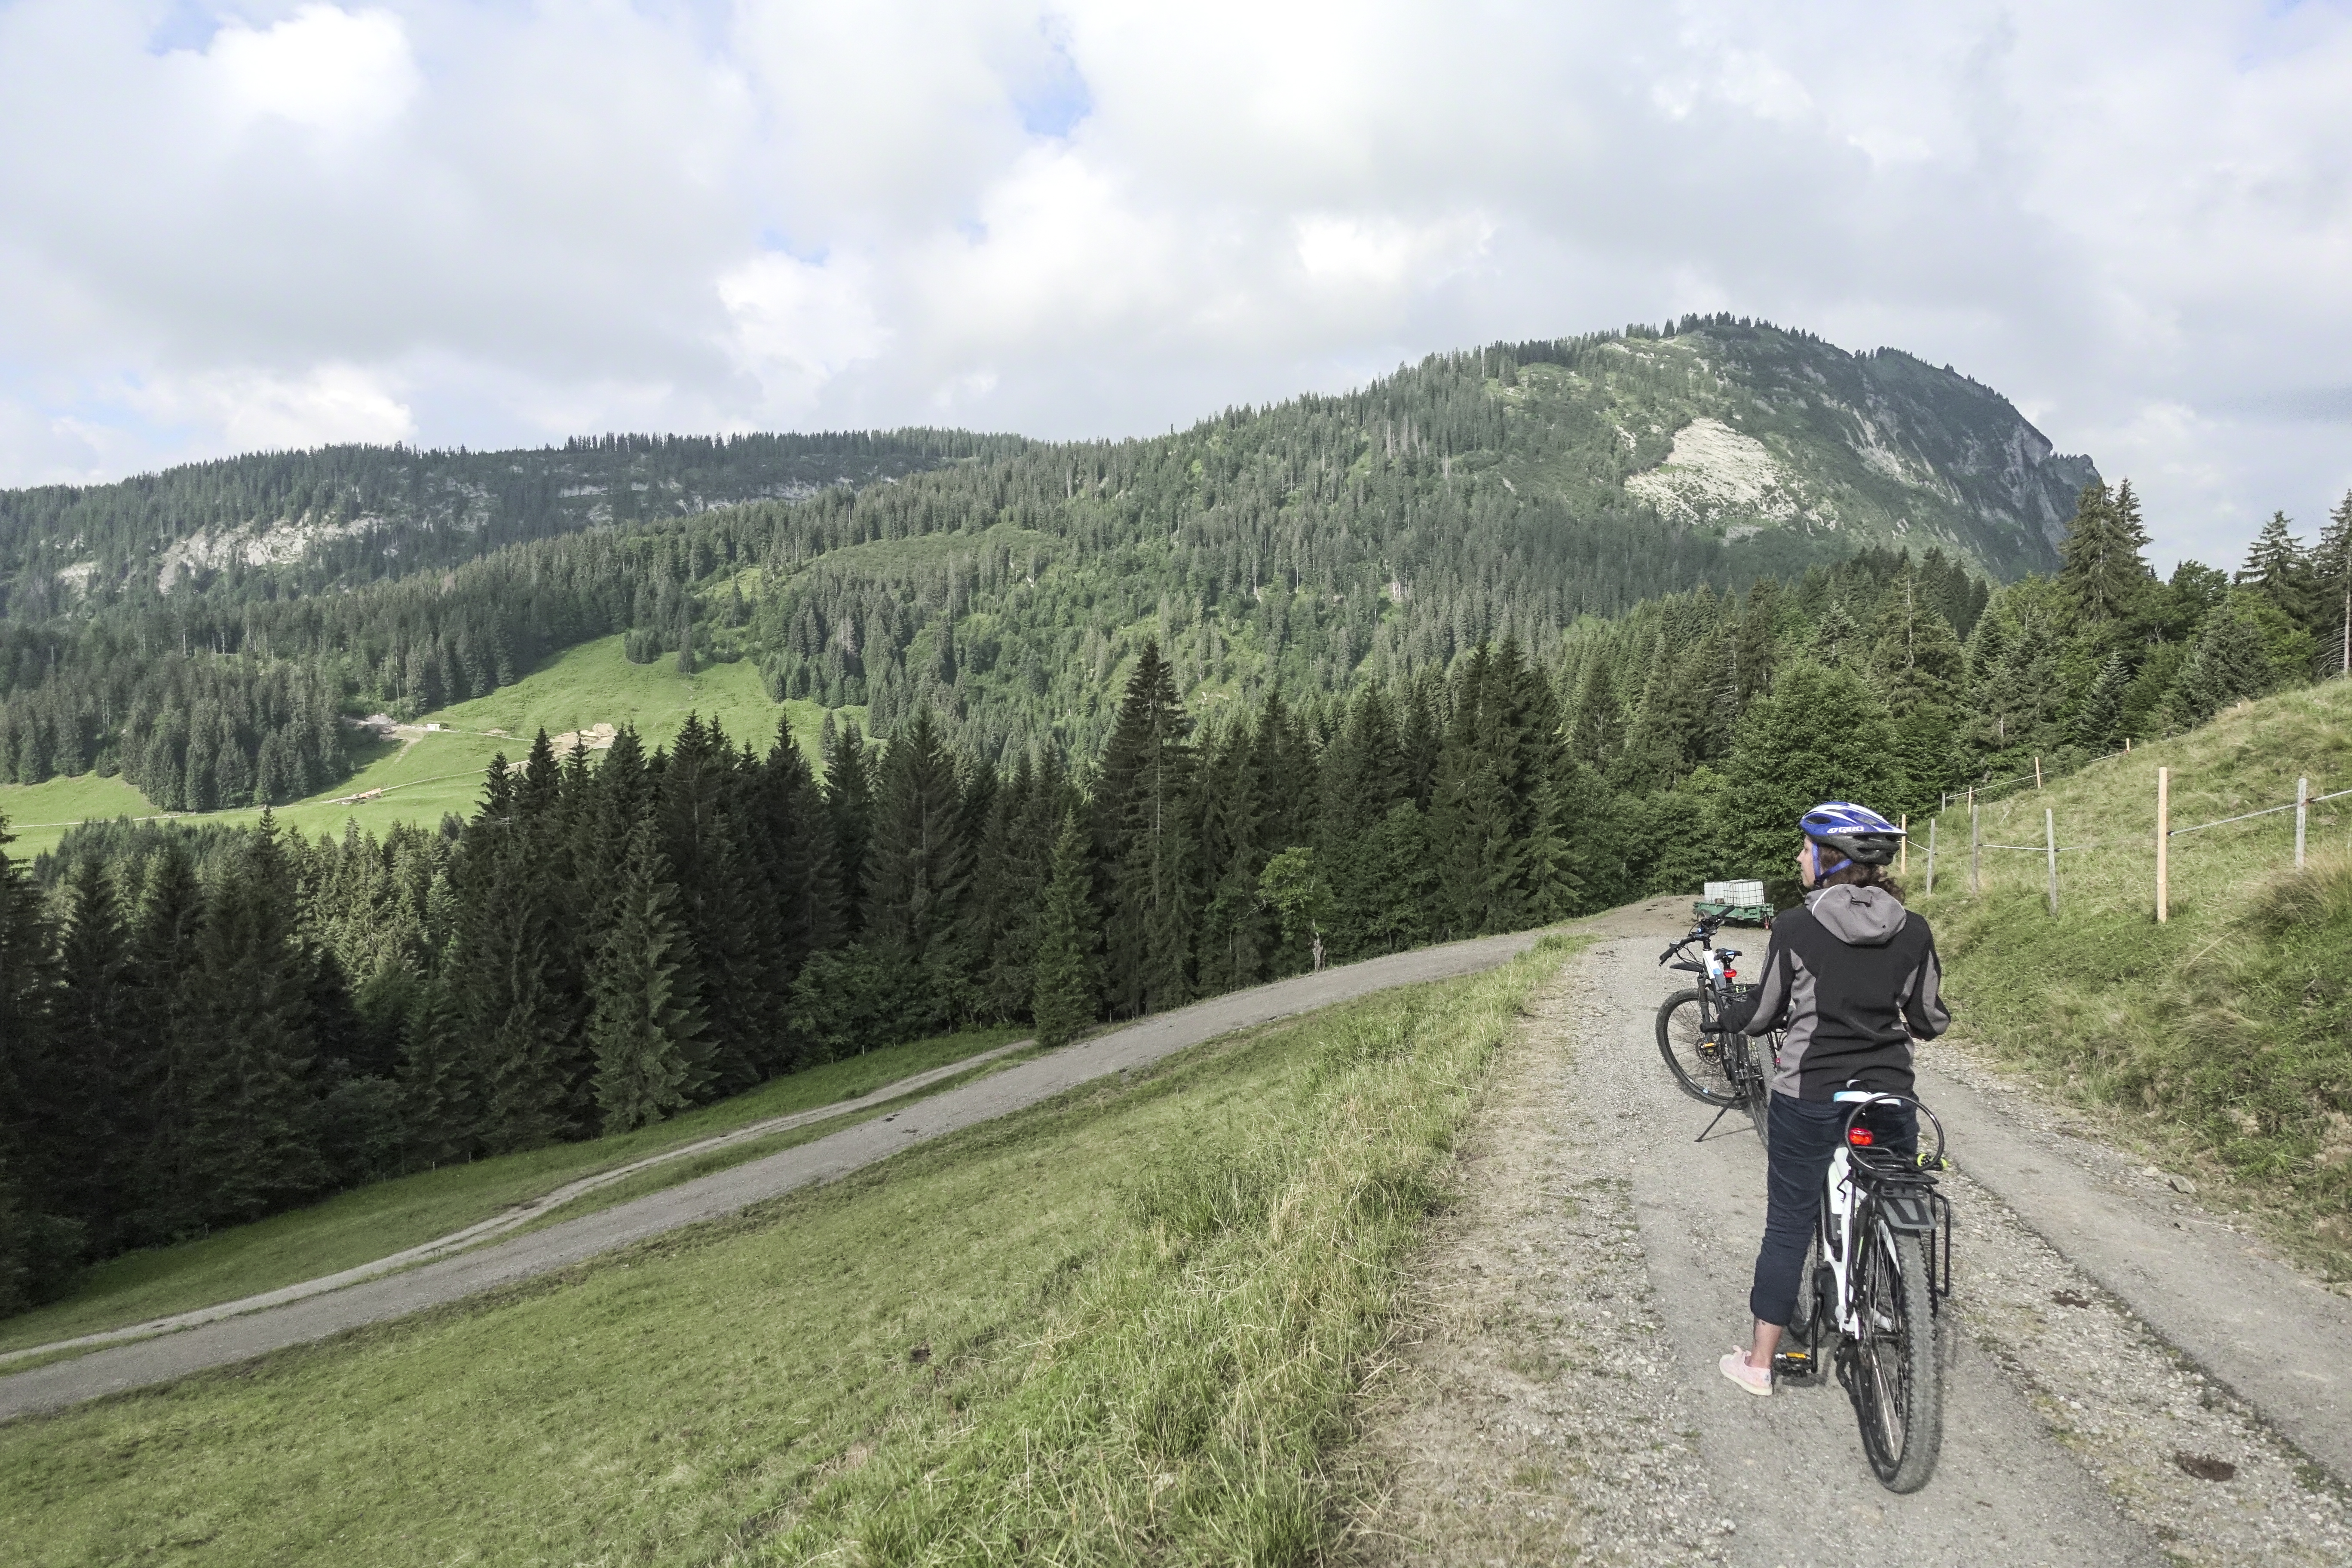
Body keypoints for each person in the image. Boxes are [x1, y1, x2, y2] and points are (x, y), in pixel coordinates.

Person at [1711, 801, 1950, 1396]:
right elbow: (1929, 1018)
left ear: (1828, 858)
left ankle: (1761, 1365)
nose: (1797, 857)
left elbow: (1765, 1013)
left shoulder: (1796, 926)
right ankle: (1895, 1304)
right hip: (1890, 1098)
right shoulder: (1915, 930)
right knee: (1892, 1186)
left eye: (1803, 848)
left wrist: (1730, 1014)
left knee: (1788, 1224)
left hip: (1812, 1094)